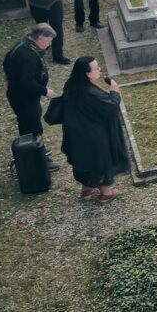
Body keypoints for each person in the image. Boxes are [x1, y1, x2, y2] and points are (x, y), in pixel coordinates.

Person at [59, 56, 128, 203]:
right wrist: (114, 92)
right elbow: (111, 108)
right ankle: (106, 193)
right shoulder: (91, 92)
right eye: (96, 68)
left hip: (77, 133)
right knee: (100, 160)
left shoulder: (72, 86)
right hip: (94, 133)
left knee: (85, 159)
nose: (100, 69)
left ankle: (87, 188)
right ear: (87, 74)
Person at [3, 24, 58, 139]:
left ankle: (29, 145)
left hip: (18, 94)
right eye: (49, 41)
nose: (50, 44)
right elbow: (27, 82)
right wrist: (45, 91)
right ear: (40, 38)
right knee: (32, 127)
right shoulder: (29, 56)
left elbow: (6, 62)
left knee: (25, 123)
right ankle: (33, 147)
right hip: (24, 98)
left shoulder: (23, 43)